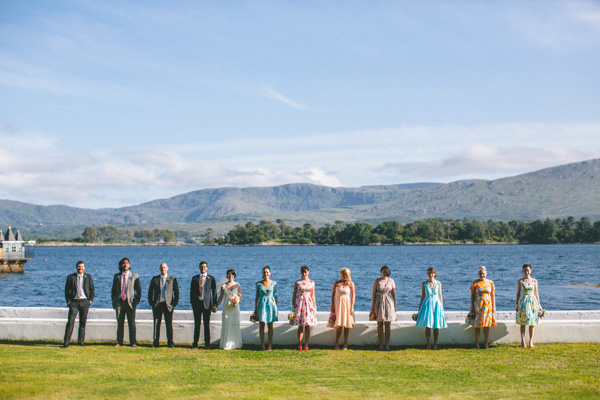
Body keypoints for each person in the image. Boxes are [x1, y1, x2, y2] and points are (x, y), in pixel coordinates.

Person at [61, 261, 94, 348]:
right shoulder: (71, 277)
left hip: (84, 302)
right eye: (79, 266)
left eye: (82, 266)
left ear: (84, 267)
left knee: (82, 323)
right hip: (74, 302)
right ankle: (66, 343)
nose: (80, 268)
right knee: (70, 322)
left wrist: (90, 300)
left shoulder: (88, 277)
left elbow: (92, 289)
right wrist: (68, 301)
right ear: (76, 267)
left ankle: (81, 342)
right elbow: (66, 290)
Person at [111, 257, 142, 347]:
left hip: (130, 303)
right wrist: (114, 300)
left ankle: (133, 342)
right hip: (119, 303)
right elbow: (113, 290)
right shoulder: (117, 276)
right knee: (120, 323)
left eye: (127, 263)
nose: (125, 265)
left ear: (129, 265)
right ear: (121, 265)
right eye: (123, 263)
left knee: (131, 323)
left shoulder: (134, 276)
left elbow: (138, 290)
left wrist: (135, 301)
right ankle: (119, 341)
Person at [148, 263, 179, 348]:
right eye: (161, 267)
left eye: (164, 267)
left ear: (167, 268)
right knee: (156, 324)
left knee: (169, 324)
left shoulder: (172, 279)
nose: (163, 269)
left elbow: (176, 293)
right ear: (159, 269)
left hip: (168, 305)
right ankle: (155, 342)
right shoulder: (155, 279)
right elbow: (150, 292)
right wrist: (151, 303)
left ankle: (170, 342)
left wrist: (173, 304)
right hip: (157, 305)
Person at [415, 267, 447, 350]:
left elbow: (440, 296)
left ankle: (435, 344)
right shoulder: (424, 283)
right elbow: (422, 296)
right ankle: (428, 343)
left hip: (436, 304)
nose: (430, 275)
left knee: (436, 325)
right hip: (427, 304)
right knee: (428, 325)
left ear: (435, 274)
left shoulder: (438, 283)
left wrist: (442, 308)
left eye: (432, 273)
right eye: (429, 273)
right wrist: (419, 309)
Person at [190, 261, 217, 349]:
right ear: (199, 268)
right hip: (197, 304)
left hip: (207, 305)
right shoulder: (195, 278)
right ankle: (195, 343)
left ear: (207, 268)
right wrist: (192, 303)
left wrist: (214, 305)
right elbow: (191, 292)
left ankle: (207, 344)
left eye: (204, 267)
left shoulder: (211, 278)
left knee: (206, 324)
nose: (203, 268)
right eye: (201, 267)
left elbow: (214, 293)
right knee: (197, 324)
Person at [468, 266, 496, 349]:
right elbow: (472, 295)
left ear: (486, 273)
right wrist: (472, 307)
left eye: (483, 274)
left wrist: (494, 306)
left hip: (487, 306)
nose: (482, 275)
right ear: (478, 274)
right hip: (478, 305)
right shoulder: (475, 283)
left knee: (487, 325)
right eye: (480, 274)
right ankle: (476, 343)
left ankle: (486, 343)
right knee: (477, 325)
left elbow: (492, 295)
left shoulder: (490, 282)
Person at [327, 267, 355, 350]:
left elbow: (353, 296)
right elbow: (332, 295)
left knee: (347, 324)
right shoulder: (336, 283)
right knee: (338, 325)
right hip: (338, 304)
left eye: (346, 274)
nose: (344, 276)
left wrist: (352, 307)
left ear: (348, 275)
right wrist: (332, 306)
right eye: (343, 274)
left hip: (347, 305)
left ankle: (345, 343)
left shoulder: (350, 284)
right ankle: (336, 343)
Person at [370, 265, 397, 350]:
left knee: (388, 324)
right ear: (381, 272)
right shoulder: (377, 281)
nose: (384, 273)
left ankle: (387, 344)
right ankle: (381, 344)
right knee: (380, 323)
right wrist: (372, 306)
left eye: (386, 272)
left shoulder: (391, 281)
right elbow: (373, 293)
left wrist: (395, 305)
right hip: (379, 302)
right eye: (383, 271)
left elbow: (393, 293)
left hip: (389, 302)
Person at [515, 263, 542, 348]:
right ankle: (523, 341)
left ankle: (531, 341)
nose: (527, 272)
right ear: (523, 271)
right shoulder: (520, 281)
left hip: (532, 303)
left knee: (532, 322)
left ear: (531, 271)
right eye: (525, 270)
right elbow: (518, 293)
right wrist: (516, 304)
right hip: (523, 302)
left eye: (528, 270)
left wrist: (539, 304)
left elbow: (536, 293)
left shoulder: (534, 281)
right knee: (523, 322)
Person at [292, 265, 317, 351]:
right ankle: (299, 344)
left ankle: (306, 343)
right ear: (301, 273)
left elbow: (313, 295)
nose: (304, 274)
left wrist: (314, 307)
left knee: (307, 325)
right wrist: (293, 307)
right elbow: (294, 295)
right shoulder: (297, 283)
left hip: (309, 305)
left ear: (308, 272)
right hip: (300, 304)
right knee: (300, 325)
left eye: (305, 272)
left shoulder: (312, 283)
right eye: (303, 272)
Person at [216, 268, 242, 350]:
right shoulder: (223, 286)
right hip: (226, 307)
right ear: (227, 275)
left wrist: (236, 300)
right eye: (229, 274)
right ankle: (226, 343)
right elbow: (220, 297)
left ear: (234, 276)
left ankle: (235, 343)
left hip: (235, 307)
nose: (230, 276)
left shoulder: (237, 285)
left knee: (235, 323)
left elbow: (240, 296)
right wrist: (215, 306)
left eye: (232, 274)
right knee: (227, 324)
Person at [254, 266, 278, 350]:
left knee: (270, 325)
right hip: (261, 306)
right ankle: (262, 344)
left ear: (270, 273)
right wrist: (255, 309)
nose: (266, 274)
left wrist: (276, 308)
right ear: (262, 273)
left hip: (271, 305)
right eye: (264, 272)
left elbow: (275, 296)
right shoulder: (258, 284)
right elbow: (256, 297)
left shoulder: (274, 283)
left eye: (267, 272)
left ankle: (270, 344)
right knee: (261, 325)